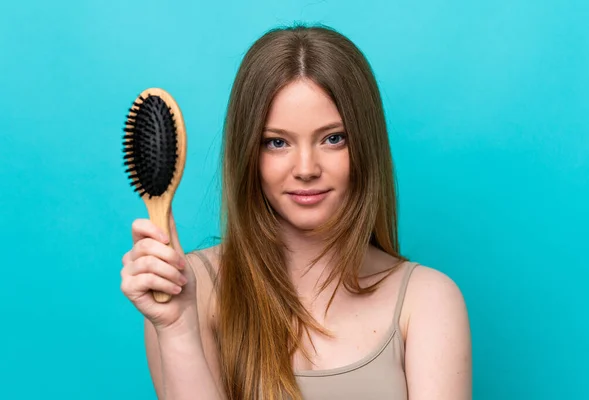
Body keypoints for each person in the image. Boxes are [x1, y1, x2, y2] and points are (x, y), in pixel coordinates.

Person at [120, 24, 472, 400]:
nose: (306, 168)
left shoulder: (428, 300)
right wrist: (176, 329)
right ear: (248, 155)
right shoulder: (191, 291)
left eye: (333, 138)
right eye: (277, 142)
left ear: (365, 145)